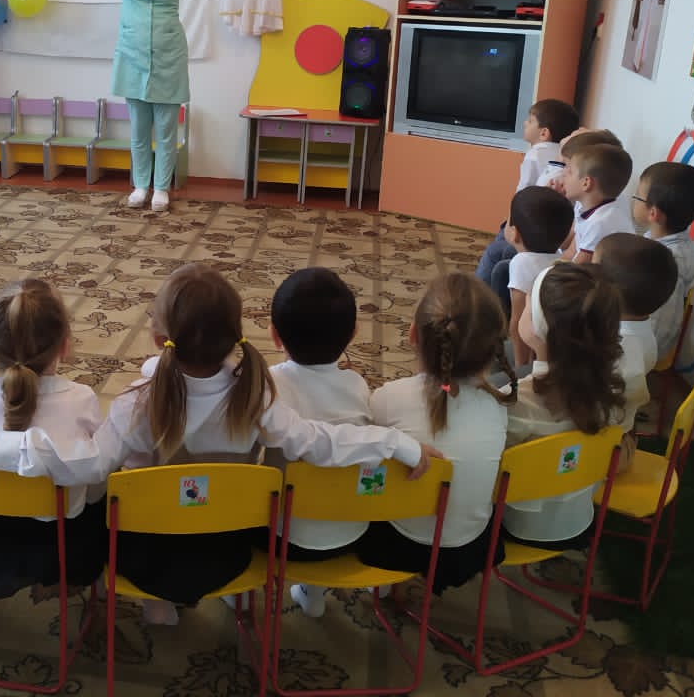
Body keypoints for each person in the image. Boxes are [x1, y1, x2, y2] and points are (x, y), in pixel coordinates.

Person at [0, 263, 439, 626]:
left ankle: (158, 604)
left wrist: (10, 446)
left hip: (146, 554)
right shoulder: (256, 393)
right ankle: (220, 593)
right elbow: (318, 442)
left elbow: (88, 466)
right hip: (227, 547)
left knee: (117, 495)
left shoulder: (136, 401)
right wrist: (396, 443)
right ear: (237, 335)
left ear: (157, 338)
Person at [0, 278, 106, 600]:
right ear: (64, 345)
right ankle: (67, 583)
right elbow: (94, 486)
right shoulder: (82, 399)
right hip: (61, 552)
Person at [361, 273, 516, 593]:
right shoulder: (498, 405)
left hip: (396, 546)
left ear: (412, 335)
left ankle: (380, 585)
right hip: (471, 548)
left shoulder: (388, 398)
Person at [108, 0, 223, 213]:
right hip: (132, 58)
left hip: (169, 60)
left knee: (166, 131)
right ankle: (140, 186)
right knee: (139, 131)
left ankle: (161, 189)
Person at [264, 267, 370, 617]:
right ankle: (313, 593)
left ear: (274, 335)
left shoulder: (267, 387)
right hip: (354, 533)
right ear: (353, 333)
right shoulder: (359, 387)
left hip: (282, 540)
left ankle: (239, 597)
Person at [504, 263, 624, 546]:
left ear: (539, 329)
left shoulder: (510, 402)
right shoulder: (613, 392)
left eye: (528, 303)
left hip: (515, 525)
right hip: (579, 521)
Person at [475, 99, 579, 295]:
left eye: (530, 121)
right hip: (551, 230)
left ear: (544, 133)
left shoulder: (534, 154)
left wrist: (509, 223)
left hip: (529, 222)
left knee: (497, 246)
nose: (525, 123)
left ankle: (477, 294)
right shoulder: (563, 153)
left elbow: (522, 192)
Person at [593, 233, 678, 468]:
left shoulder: (619, 346)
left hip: (603, 451)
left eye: (593, 270)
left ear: (607, 290)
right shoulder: (641, 332)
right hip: (616, 435)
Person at [633, 161, 694, 360]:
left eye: (637, 196)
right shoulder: (659, 240)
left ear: (653, 213)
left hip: (644, 348)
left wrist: (641, 355)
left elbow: (661, 324)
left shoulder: (667, 262)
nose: (634, 200)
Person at [503, 186, 573, 367]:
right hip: (559, 346)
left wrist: (520, 367)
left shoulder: (521, 263)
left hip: (536, 347)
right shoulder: (561, 259)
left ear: (515, 233)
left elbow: (517, 321)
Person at [560, 142, 635, 263]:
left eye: (570, 171)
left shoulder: (600, 223)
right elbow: (572, 252)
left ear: (586, 183)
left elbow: (580, 266)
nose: (563, 173)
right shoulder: (588, 209)